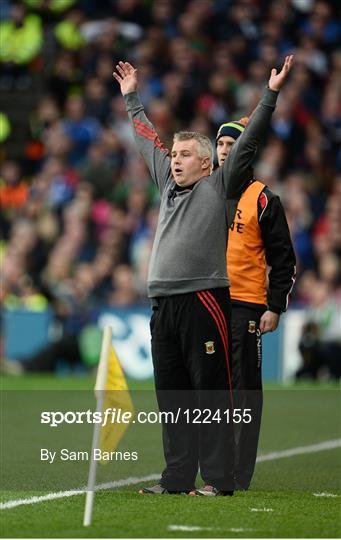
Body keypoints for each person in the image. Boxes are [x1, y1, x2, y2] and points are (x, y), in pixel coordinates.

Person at [113, 56, 293, 496]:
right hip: (162, 304)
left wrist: (269, 96)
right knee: (171, 397)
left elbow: (248, 141)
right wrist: (131, 97)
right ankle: (176, 478)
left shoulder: (218, 187)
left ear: (207, 163)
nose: (174, 160)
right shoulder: (166, 183)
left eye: (185, 154)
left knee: (210, 395)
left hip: (204, 299)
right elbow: (145, 141)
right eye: (173, 154)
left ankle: (217, 479)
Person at [216, 118, 296, 490]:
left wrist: (274, 306)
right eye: (220, 146)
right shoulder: (204, 191)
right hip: (207, 302)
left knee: (243, 389)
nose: (225, 152)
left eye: (233, 146)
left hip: (246, 305)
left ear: (246, 152)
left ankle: (237, 473)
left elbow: (284, 260)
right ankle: (214, 467)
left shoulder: (263, 199)